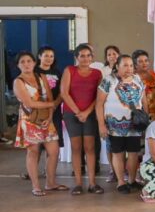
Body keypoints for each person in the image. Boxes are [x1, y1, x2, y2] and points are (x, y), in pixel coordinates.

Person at [96, 54, 147, 194]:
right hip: (114, 126)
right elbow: (99, 104)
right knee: (118, 153)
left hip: (134, 125)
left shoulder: (137, 79)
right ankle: (121, 182)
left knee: (133, 153)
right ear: (117, 66)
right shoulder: (108, 80)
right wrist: (101, 125)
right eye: (125, 65)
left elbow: (144, 100)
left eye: (131, 65)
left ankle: (131, 180)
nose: (129, 68)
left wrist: (146, 118)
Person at [13, 51, 61, 196]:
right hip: (30, 120)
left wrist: (50, 116)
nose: (26, 64)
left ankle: (50, 183)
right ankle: (36, 186)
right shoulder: (18, 81)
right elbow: (29, 102)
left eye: (29, 61)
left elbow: (50, 99)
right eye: (23, 62)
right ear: (18, 65)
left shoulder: (42, 77)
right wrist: (50, 105)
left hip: (46, 119)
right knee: (33, 152)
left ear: (34, 63)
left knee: (54, 151)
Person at [60, 44, 103, 195]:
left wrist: (87, 112)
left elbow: (99, 96)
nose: (85, 58)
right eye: (82, 56)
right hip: (72, 114)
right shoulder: (69, 70)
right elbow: (64, 93)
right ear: (77, 57)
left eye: (88, 55)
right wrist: (78, 112)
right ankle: (78, 183)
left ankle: (92, 183)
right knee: (76, 148)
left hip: (90, 115)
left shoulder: (97, 73)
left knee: (90, 148)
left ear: (92, 57)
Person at [35, 46, 63, 148]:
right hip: (38, 110)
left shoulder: (57, 72)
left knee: (52, 144)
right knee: (37, 144)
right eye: (46, 55)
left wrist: (55, 104)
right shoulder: (34, 72)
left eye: (51, 56)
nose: (49, 58)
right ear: (39, 56)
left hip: (55, 110)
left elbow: (62, 91)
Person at [133, 50, 155, 120]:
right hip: (141, 113)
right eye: (140, 61)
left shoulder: (153, 74)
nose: (144, 63)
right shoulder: (133, 78)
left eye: (146, 60)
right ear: (135, 64)